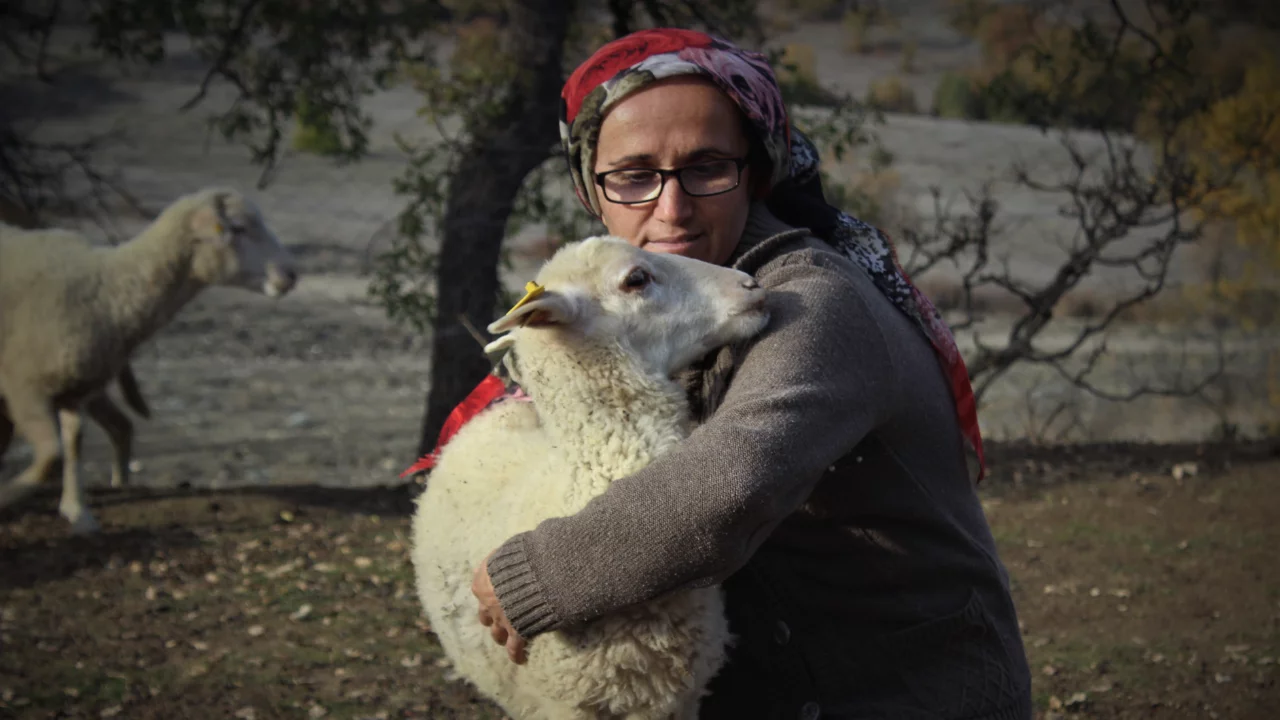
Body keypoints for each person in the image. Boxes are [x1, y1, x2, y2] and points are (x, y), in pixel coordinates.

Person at [434, 27, 1032, 720]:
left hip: (902, 690)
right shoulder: (642, 317)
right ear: (590, 190)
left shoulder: (809, 303)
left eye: (707, 167)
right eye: (633, 176)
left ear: (755, 170)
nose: (672, 208)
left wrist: (535, 575)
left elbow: (732, 484)